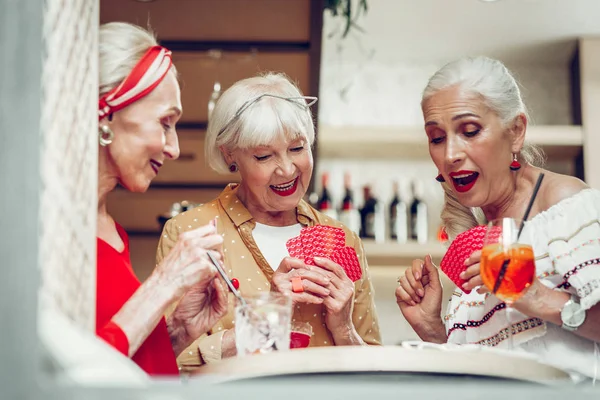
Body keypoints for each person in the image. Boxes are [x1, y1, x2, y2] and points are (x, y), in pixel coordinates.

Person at [157, 73, 381, 370]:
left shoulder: (343, 237)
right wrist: (267, 316)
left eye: (298, 148)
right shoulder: (190, 233)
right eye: (264, 156)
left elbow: (376, 370)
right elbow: (166, 361)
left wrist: (343, 329)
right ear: (229, 155)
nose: (287, 169)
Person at [396, 56, 600, 379]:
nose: (450, 155)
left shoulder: (566, 205)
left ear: (516, 131)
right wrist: (433, 329)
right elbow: (482, 371)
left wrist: (535, 295)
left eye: (470, 131)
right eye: (437, 138)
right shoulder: (476, 236)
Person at [96, 22, 228, 376]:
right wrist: (164, 284)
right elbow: (62, 380)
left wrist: (178, 333)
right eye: (165, 123)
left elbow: (118, 364)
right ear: (107, 113)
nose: (174, 148)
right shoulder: (43, 231)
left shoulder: (111, 231)